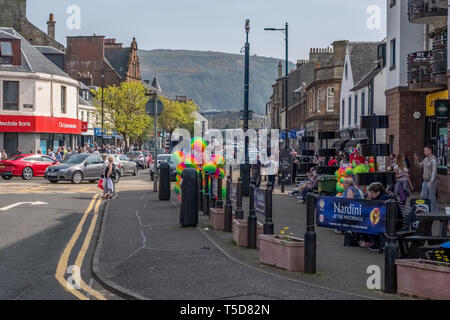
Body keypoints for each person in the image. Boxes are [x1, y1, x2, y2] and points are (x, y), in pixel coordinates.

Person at [366, 183, 392, 252]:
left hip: (391, 221)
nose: (371, 195)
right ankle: (375, 242)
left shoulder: (384, 198)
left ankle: (378, 243)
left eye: (372, 193)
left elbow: (379, 211)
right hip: (386, 219)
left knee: (370, 225)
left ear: (378, 192)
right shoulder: (379, 197)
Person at [414, 146, 438, 212]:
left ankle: (434, 212)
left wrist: (432, 181)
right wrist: (416, 160)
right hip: (425, 181)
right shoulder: (425, 159)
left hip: (431, 181)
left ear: (430, 151)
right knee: (423, 196)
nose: (424, 152)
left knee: (431, 198)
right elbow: (419, 166)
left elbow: (434, 171)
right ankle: (426, 210)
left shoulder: (433, 159)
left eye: (425, 150)